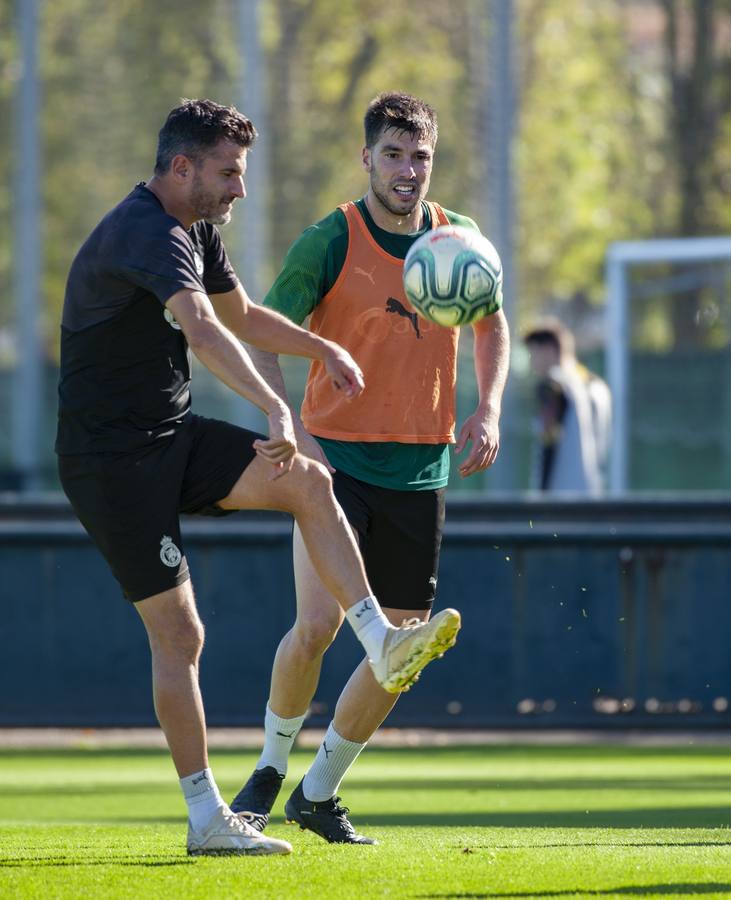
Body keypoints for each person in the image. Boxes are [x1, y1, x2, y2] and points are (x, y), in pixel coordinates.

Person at [55, 99, 461, 858]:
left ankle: (378, 639)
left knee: (309, 480)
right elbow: (204, 330)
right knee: (181, 635)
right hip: (110, 464)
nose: (240, 188)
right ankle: (206, 815)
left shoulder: (198, 228)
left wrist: (320, 350)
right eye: (229, 172)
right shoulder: (145, 231)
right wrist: (276, 403)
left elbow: (240, 314)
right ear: (182, 168)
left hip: (170, 437)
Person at [231, 91, 510, 844]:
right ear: (366, 158)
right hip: (333, 461)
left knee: (403, 650)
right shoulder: (330, 238)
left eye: (419, 156)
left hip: (421, 471)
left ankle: (318, 791)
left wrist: (486, 411)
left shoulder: (461, 239)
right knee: (318, 626)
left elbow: (493, 323)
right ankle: (267, 765)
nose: (407, 170)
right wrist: (283, 418)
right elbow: (262, 328)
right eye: (392, 154)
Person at [523, 318, 612, 494]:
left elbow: (548, 443)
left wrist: (540, 496)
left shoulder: (554, 386)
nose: (531, 363)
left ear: (549, 350)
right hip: (592, 494)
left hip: (559, 503)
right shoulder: (598, 386)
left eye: (533, 354)